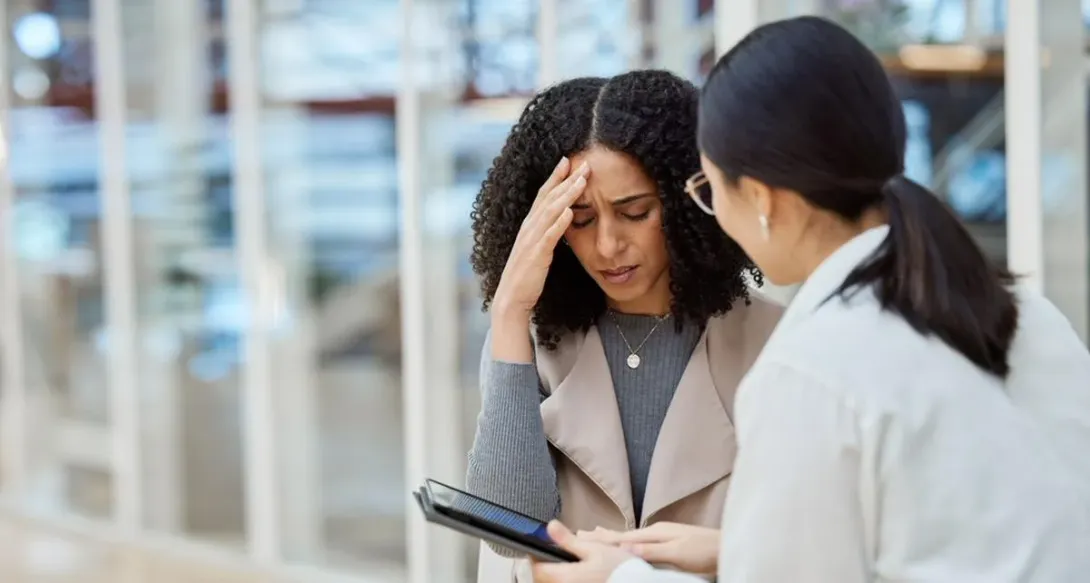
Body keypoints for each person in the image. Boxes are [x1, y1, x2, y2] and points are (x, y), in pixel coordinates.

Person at [530, 16, 1090, 583]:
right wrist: (738, 550)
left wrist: (620, 577)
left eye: (708, 190)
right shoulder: (1030, 317)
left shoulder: (809, 369)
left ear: (760, 197)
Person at [466, 69, 783, 582]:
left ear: (687, 205)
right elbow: (507, 534)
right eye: (581, 220)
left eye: (634, 212)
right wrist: (508, 311)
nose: (607, 246)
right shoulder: (529, 342)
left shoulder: (776, 343)